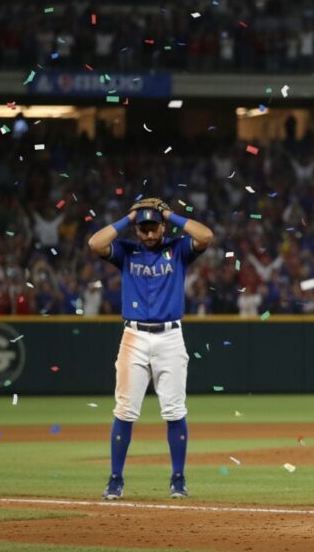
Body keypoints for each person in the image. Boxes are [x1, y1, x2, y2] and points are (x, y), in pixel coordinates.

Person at [87, 199, 214, 500]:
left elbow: (206, 236)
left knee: (174, 410)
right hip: (134, 336)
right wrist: (128, 219)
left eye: (152, 226)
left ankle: (178, 478)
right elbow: (95, 243)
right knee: (125, 410)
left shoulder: (178, 249)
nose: (146, 234)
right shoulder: (127, 252)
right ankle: (116, 478)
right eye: (142, 228)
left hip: (170, 336)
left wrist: (170, 214)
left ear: (162, 226)